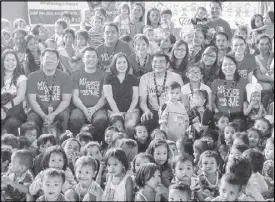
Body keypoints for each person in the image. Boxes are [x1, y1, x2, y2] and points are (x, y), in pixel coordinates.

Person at [27, 48, 73, 132]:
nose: (50, 61)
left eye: (53, 59)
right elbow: (32, 100)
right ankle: (35, 144)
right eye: (47, 58)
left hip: (58, 109)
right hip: (39, 110)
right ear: (41, 59)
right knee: (32, 118)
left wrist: (53, 115)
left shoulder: (65, 77)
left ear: (58, 62)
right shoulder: (32, 77)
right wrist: (43, 115)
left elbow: (66, 101)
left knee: (64, 116)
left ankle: (61, 142)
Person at [69, 47, 108, 140]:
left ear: (97, 59)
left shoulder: (104, 75)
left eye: (94, 57)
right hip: (80, 107)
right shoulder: (76, 75)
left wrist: (94, 108)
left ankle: (98, 144)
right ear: (83, 59)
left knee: (101, 120)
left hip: (98, 107)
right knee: (75, 119)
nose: (91, 59)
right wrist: (85, 110)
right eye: (88, 57)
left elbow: (104, 97)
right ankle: (76, 142)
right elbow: (75, 96)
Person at [139, 52, 184, 133]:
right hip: (154, 111)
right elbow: (142, 102)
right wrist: (146, 111)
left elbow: (182, 99)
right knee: (145, 121)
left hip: (172, 110)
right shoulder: (145, 78)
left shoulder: (176, 77)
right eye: (155, 61)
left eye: (162, 62)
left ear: (167, 64)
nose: (158, 64)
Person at [103, 52, 140, 137]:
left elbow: (135, 97)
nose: (122, 65)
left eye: (124, 62)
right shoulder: (108, 78)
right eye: (119, 62)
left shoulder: (133, 79)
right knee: (118, 125)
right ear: (114, 64)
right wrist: (118, 113)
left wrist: (129, 111)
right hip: (114, 110)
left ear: (128, 64)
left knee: (129, 125)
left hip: (131, 109)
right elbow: (109, 97)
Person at [212, 55, 248, 120]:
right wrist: (216, 111)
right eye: (225, 65)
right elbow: (212, 101)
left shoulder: (243, 81)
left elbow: (246, 101)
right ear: (221, 67)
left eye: (231, 64)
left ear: (236, 66)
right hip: (221, 115)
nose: (228, 67)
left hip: (238, 115)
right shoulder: (216, 82)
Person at [1, 49, 27, 136]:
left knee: (12, 123)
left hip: (14, 111)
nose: (11, 63)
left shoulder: (21, 78)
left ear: (17, 61)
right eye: (7, 60)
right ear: (2, 61)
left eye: (13, 60)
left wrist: (4, 109)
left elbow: (19, 98)